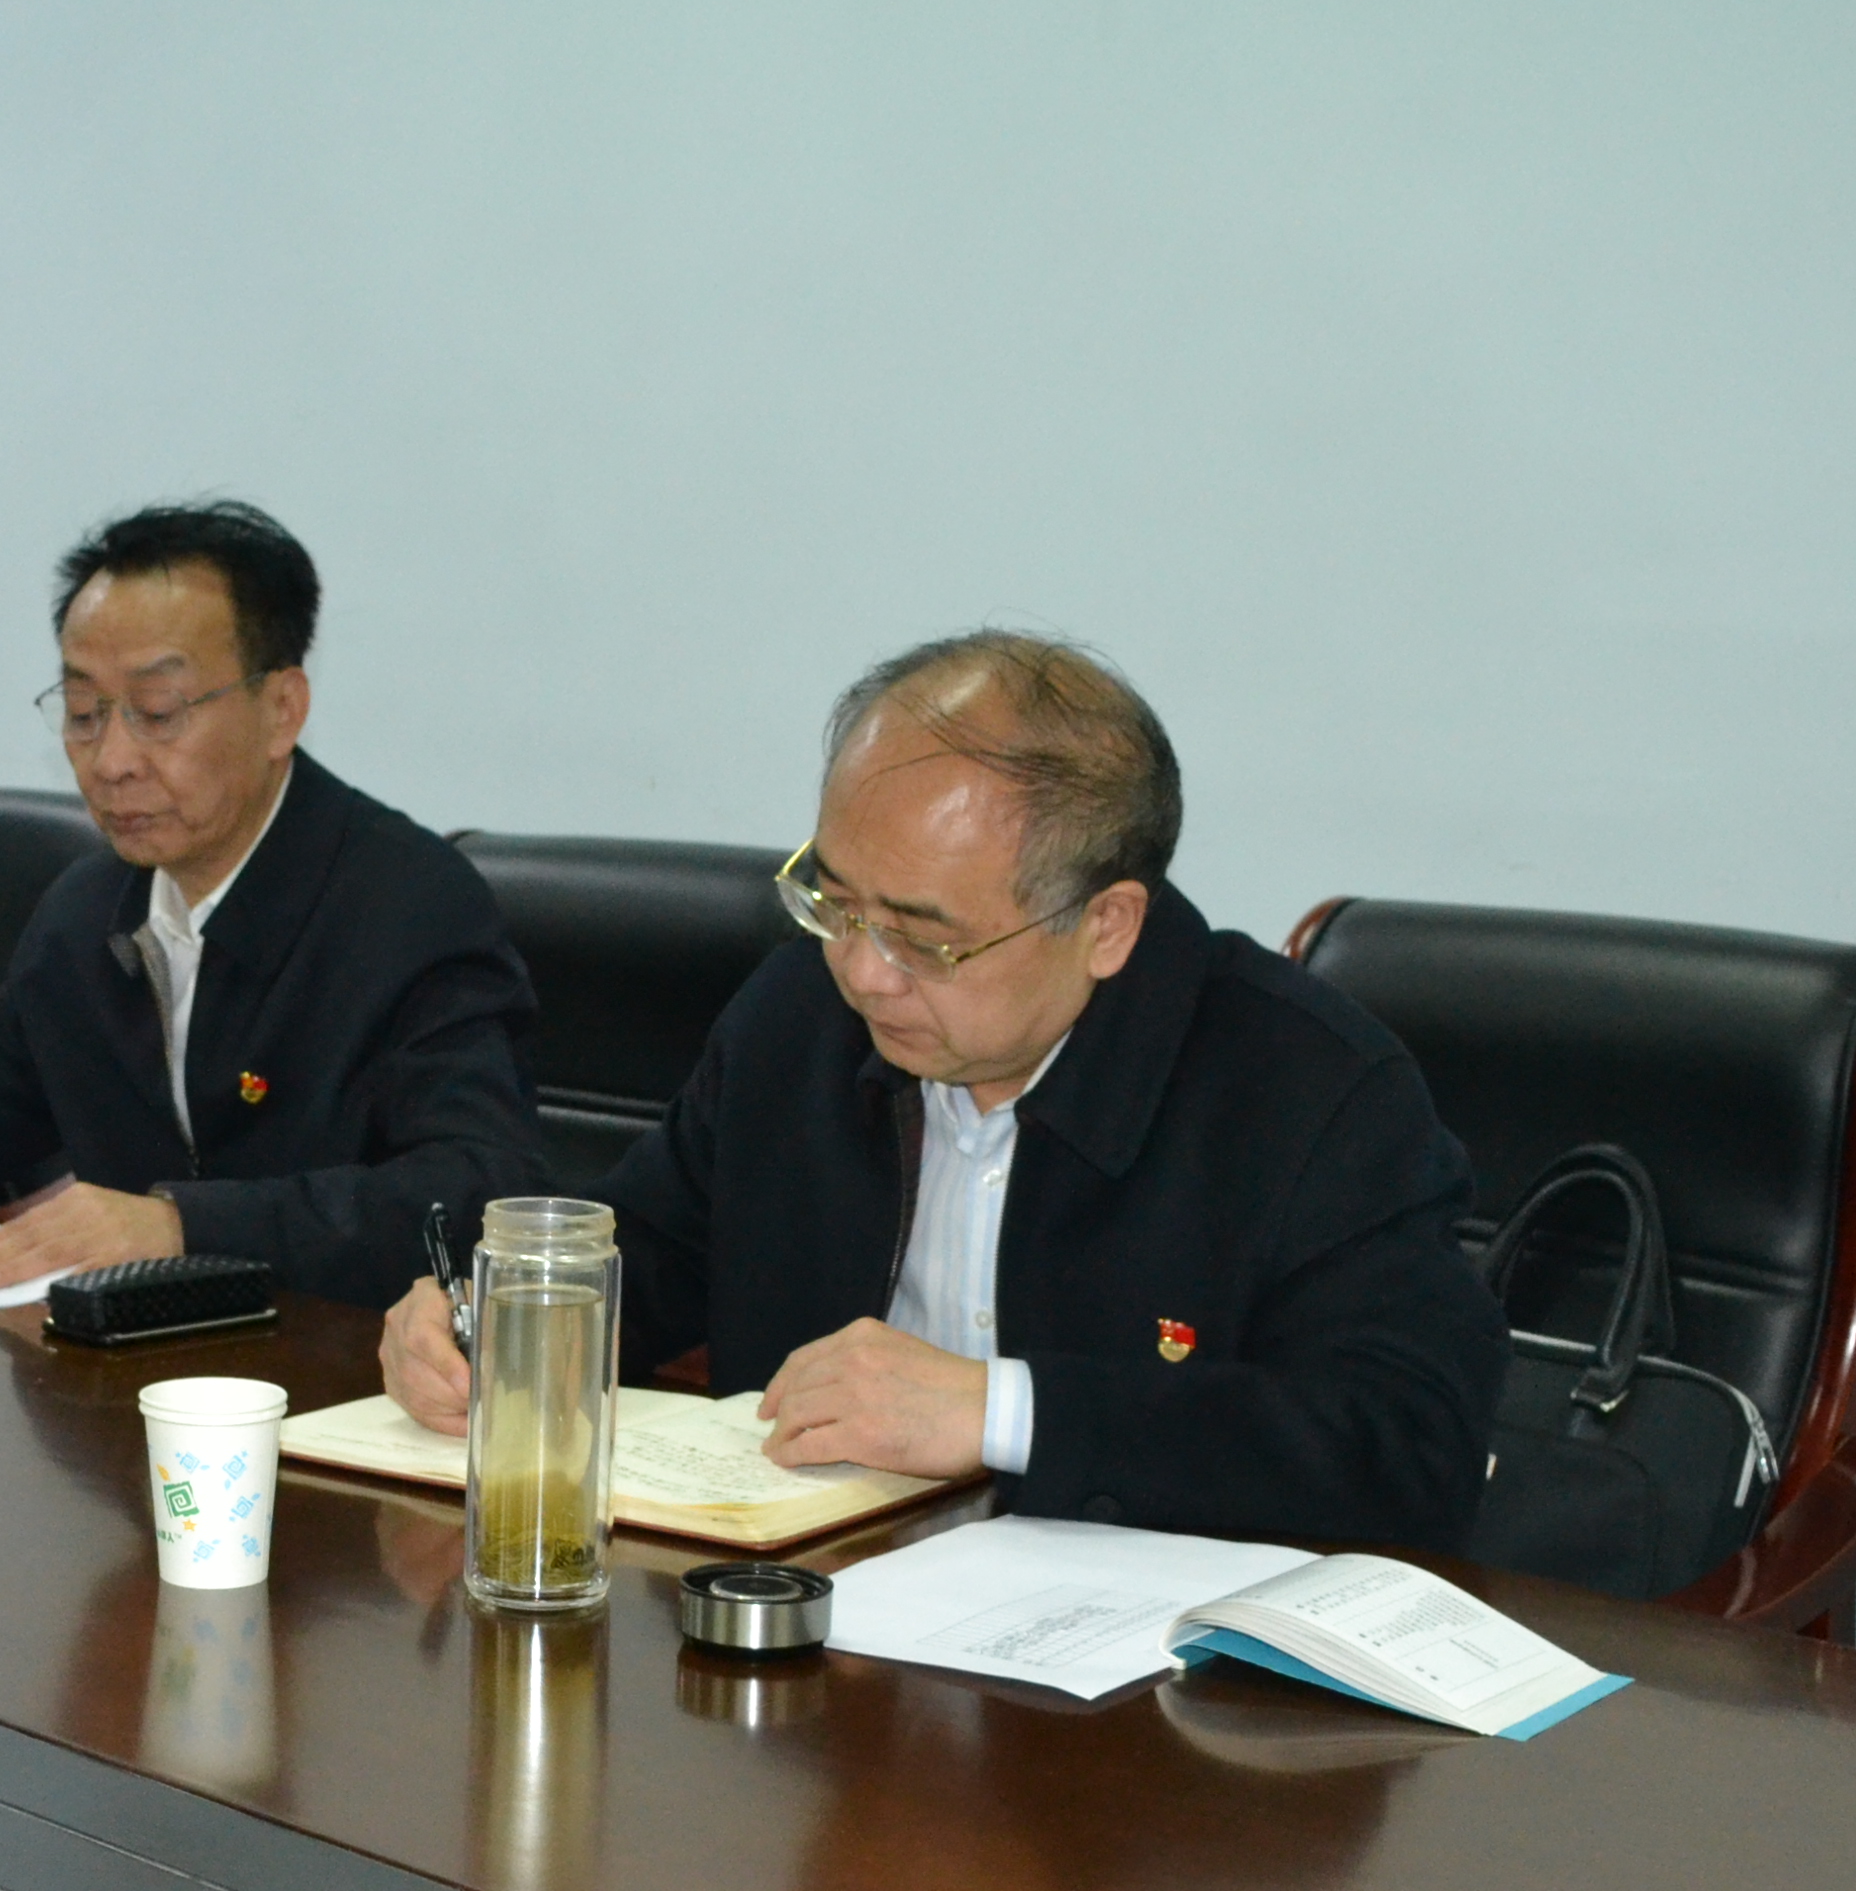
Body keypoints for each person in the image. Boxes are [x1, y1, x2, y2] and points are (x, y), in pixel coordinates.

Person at [377, 630, 1502, 1549]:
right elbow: (655, 1253)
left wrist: (1000, 1410)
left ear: (1106, 925)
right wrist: (497, 1319)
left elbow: (1407, 1448)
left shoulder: (1306, 1090)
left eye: (924, 939)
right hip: (815, 1644)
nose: (864, 972)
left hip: (1151, 1706)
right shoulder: (797, 1019)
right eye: (835, 902)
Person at [0, 500, 543, 1305]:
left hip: (345, 1362)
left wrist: (182, 1225)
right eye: (84, 714)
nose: (112, 760)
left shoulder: (409, 908)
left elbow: (483, 1192)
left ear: (282, 711)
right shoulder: (87, 911)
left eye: (158, 713)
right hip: (128, 1361)